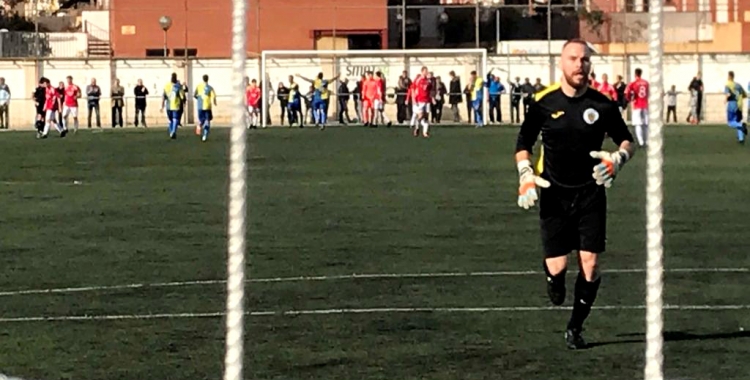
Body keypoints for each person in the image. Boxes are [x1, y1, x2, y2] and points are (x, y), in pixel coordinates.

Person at [515, 38, 635, 349]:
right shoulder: (542, 103)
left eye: (584, 60)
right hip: (553, 194)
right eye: (573, 59)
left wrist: (618, 160)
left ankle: (575, 327)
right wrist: (525, 174)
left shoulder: (603, 105)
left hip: (591, 193)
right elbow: (523, 144)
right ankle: (553, 278)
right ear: (561, 63)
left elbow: (627, 141)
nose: (579, 65)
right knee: (558, 267)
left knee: (591, 264)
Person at [625, 68, 650, 147]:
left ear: (635, 74)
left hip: (637, 105)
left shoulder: (633, 83)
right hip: (645, 105)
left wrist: (629, 99)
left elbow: (627, 93)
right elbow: (649, 93)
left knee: (638, 124)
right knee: (646, 124)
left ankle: (641, 142)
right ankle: (647, 141)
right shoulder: (646, 83)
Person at [724, 71, 747, 144]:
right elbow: (745, 95)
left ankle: (742, 126)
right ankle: (741, 139)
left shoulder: (728, 84)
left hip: (731, 104)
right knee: (737, 121)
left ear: (729, 76)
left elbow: (728, 94)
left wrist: (725, 99)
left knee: (730, 123)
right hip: (739, 105)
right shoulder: (738, 85)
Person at [160, 72, 185, 139]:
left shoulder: (167, 85)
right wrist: (184, 102)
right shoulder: (178, 86)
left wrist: (162, 106)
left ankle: (171, 132)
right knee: (175, 119)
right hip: (176, 105)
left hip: (168, 106)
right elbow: (182, 96)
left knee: (170, 120)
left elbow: (163, 96)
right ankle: (173, 131)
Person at [410, 67, 432, 138]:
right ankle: (416, 127)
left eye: (427, 71)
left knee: (426, 116)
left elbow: (430, 90)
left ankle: (425, 132)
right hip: (420, 100)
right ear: (422, 71)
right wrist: (413, 99)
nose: (426, 72)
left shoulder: (428, 80)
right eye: (425, 71)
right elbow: (412, 88)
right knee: (420, 115)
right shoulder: (418, 79)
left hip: (427, 100)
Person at [194, 74, 217, 141]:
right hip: (207, 107)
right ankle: (205, 135)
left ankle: (199, 125)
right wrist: (215, 102)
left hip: (200, 106)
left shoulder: (198, 86)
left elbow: (195, 95)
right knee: (207, 121)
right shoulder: (210, 88)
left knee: (201, 120)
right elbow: (214, 96)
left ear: (203, 79)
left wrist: (198, 100)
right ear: (208, 79)